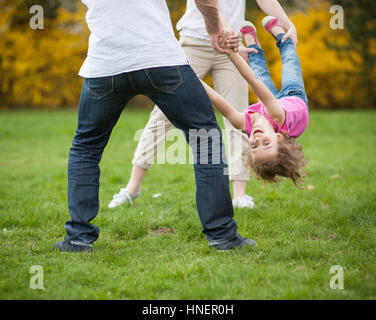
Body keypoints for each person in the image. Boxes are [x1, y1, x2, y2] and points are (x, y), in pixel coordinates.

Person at [54, 0, 257, 253]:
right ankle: (222, 236)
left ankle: (77, 239)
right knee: (205, 137)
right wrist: (214, 26)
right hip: (160, 60)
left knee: (86, 147)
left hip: (105, 65)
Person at [108, 0, 299, 210]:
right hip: (195, 41)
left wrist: (287, 23)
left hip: (231, 46)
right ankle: (132, 188)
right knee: (162, 115)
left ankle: (239, 196)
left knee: (243, 122)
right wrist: (224, 29)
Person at [202, 16, 309, 187]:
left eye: (254, 147)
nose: (257, 140)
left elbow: (216, 99)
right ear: (279, 137)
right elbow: (252, 82)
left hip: (266, 107)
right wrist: (230, 52)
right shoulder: (277, 116)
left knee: (259, 70)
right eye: (266, 143)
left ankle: (252, 46)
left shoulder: (243, 124)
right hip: (293, 97)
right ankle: (281, 36)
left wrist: (191, 76)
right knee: (289, 62)